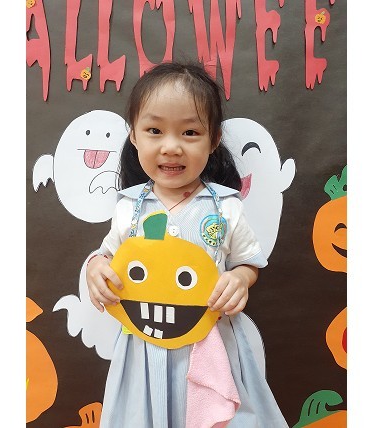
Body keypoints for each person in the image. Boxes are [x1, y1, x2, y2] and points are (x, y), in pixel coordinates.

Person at [86, 61, 288, 427]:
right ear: (134, 136)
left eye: (190, 132)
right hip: (144, 347)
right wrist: (96, 268)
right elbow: (106, 255)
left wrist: (240, 279)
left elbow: (248, 262)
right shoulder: (129, 207)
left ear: (213, 139)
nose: (171, 147)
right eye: (154, 130)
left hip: (210, 345)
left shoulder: (225, 207)